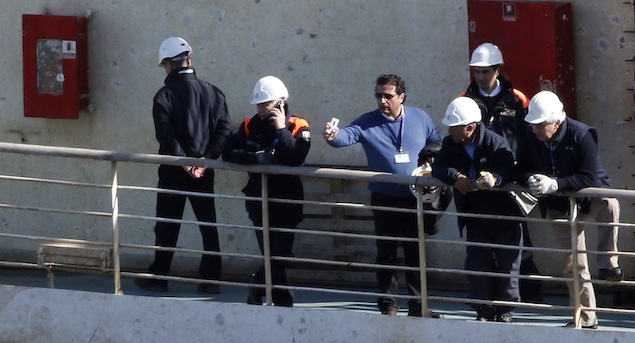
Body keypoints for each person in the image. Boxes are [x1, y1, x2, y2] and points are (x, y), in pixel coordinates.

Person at [323, 74, 447, 317]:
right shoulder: (367, 122)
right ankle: (388, 305)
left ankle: (418, 306)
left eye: (388, 96)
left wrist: (432, 157)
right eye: (378, 95)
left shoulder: (420, 117)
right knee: (386, 253)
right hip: (384, 197)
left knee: (416, 254)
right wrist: (332, 135)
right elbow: (345, 137)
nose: (382, 100)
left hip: (415, 198)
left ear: (402, 97)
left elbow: (435, 140)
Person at [135, 37, 231, 293]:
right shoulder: (214, 92)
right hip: (204, 169)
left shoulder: (164, 96)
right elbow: (224, 129)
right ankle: (212, 280)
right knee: (208, 225)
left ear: (168, 64)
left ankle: (159, 276)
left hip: (173, 169)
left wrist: (184, 163)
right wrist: (206, 159)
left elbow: (165, 137)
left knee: (167, 224)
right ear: (188, 58)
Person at [519, 90, 611, 328]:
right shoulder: (531, 137)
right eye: (534, 125)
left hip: (588, 198)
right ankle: (585, 316)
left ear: (556, 122)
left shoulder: (582, 135)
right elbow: (521, 167)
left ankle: (608, 262)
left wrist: (556, 184)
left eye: (540, 125)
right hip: (559, 207)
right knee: (574, 265)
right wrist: (531, 179)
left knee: (611, 205)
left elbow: (588, 176)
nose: (536, 129)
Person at [432, 96, 522, 322]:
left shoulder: (495, 142)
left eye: (454, 126)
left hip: (505, 216)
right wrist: (456, 177)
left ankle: (504, 313)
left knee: (507, 266)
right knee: (477, 264)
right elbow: (439, 167)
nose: (450, 130)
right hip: (475, 216)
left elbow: (508, 168)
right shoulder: (450, 144)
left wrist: (495, 178)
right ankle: (482, 310)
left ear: (469, 128)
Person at [223, 76, 310, 306]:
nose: (261, 109)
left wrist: (281, 129)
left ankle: (258, 284)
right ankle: (282, 300)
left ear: (281, 103)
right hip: (258, 197)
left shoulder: (298, 126)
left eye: (266, 104)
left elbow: (295, 157)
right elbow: (228, 152)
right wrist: (255, 159)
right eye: (259, 104)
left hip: (287, 200)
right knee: (270, 254)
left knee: (281, 254)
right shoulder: (250, 125)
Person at [463, 42, 541, 301]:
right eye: (477, 72)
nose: (481, 77)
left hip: (510, 182)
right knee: (482, 243)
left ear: (498, 70)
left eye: (486, 71)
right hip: (479, 184)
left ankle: (528, 295)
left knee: (519, 241)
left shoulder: (517, 99)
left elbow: (529, 136)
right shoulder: (464, 101)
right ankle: (486, 299)